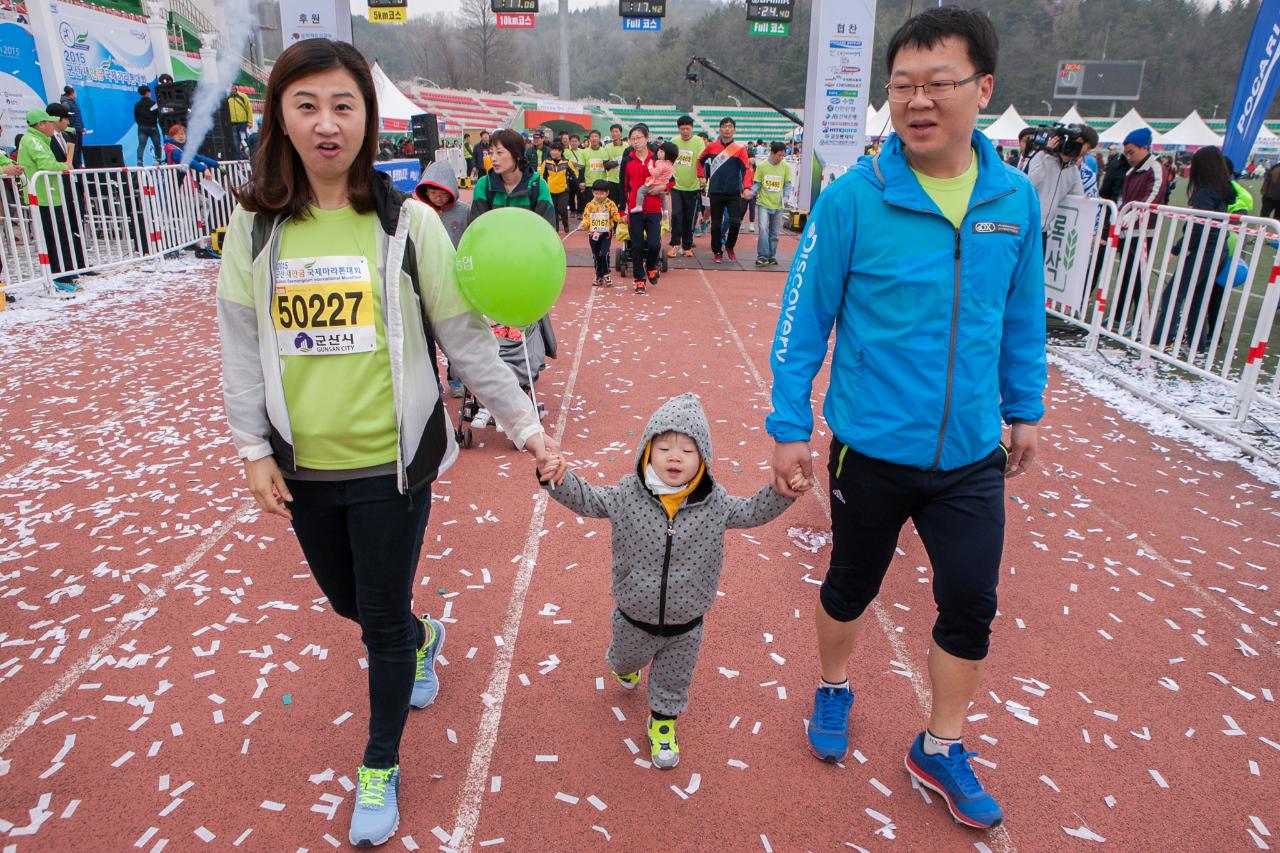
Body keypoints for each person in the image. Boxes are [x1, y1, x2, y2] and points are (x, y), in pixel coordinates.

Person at [216, 39, 565, 849]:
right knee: (353, 605)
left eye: (344, 105)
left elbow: (467, 341)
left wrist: (528, 426)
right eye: (307, 105)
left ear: (369, 120)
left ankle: (379, 761)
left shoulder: (409, 224)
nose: (326, 123)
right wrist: (251, 448)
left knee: (374, 621)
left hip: (391, 467)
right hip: (304, 465)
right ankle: (423, 635)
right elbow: (238, 343)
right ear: (280, 118)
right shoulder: (255, 227)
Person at [767, 7, 1045, 831]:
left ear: (982, 89)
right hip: (871, 449)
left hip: (968, 455)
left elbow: (1021, 311)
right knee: (851, 586)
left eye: (938, 84)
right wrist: (790, 424)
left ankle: (941, 742)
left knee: (970, 601)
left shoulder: (1014, 199)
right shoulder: (856, 199)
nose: (918, 102)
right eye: (903, 88)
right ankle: (834, 684)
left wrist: (1023, 408)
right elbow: (801, 319)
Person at [542, 392, 798, 769]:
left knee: (672, 679)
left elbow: (752, 512)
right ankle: (622, 662)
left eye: (687, 450)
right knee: (626, 660)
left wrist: (782, 493)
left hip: (687, 621)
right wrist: (557, 479)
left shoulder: (716, 503)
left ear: (704, 460)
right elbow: (588, 499)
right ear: (647, 452)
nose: (675, 457)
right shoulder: (626, 496)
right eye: (664, 447)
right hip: (632, 614)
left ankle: (662, 722)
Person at [1154, 146, 1233, 356]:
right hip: (1218, 250)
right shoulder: (1222, 190)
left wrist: (1179, 247)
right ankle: (1197, 345)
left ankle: (1163, 339)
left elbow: (1198, 226)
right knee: (1197, 297)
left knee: (1173, 294)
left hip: (1204, 250)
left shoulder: (1205, 193)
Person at [18, 108, 85, 293]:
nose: (52, 126)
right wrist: (64, 165)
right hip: (43, 197)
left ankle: (65, 274)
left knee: (58, 235)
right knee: (55, 237)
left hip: (49, 196)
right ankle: (60, 276)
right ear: (40, 125)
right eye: (49, 122)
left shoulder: (38, 139)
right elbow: (46, 164)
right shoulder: (33, 141)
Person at [1112, 127, 1169, 332]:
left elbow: (1153, 197)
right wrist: (1120, 216)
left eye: (1132, 152)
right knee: (1125, 275)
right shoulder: (1130, 172)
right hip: (1128, 231)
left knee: (1138, 277)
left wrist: (1132, 214)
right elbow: (1125, 199)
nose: (1129, 157)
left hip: (1145, 233)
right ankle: (1118, 317)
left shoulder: (1156, 168)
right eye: (1126, 153)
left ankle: (1139, 322)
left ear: (1145, 147)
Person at [469, 128, 555, 227]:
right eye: (491, 152)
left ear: (517, 155)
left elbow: (547, 230)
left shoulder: (538, 186)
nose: (493, 158)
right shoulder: (483, 185)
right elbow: (477, 229)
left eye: (499, 152)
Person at [1027, 124, 1097, 244]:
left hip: (1043, 231)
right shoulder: (1042, 156)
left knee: (1038, 263)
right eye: (1088, 147)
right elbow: (1030, 182)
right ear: (1079, 141)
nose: (1087, 152)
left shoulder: (1073, 169)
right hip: (1026, 226)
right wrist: (1049, 154)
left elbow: (1078, 198)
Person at [697, 117, 754, 263]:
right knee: (716, 224)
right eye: (724, 126)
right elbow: (699, 161)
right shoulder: (711, 146)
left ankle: (729, 246)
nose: (727, 129)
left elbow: (747, 169)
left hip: (734, 192)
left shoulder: (740, 149)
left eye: (730, 127)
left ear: (734, 130)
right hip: (716, 191)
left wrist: (746, 187)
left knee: (735, 222)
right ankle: (717, 251)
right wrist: (701, 176)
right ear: (720, 129)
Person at [621, 124, 665, 295]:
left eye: (639, 138)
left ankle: (651, 266)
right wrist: (622, 211)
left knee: (654, 244)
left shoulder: (657, 159)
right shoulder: (628, 160)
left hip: (654, 209)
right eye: (632, 139)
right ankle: (639, 280)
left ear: (647, 138)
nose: (636, 141)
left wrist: (661, 188)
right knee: (637, 246)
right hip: (635, 210)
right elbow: (623, 187)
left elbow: (671, 180)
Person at [749, 141, 793, 267]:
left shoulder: (785, 167)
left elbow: (788, 184)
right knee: (763, 228)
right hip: (764, 202)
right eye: (779, 155)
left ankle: (771, 255)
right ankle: (762, 256)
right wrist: (751, 192)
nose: (781, 158)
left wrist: (785, 197)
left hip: (778, 204)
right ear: (772, 153)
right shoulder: (762, 166)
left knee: (775, 232)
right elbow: (757, 183)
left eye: (783, 155)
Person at [668, 115, 705, 258]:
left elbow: (700, 161)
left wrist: (702, 178)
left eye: (687, 129)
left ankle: (687, 246)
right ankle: (675, 244)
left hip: (692, 187)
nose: (685, 132)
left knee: (689, 218)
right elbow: (668, 161)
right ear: (678, 129)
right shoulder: (674, 142)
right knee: (676, 215)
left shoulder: (698, 142)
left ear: (692, 128)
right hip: (677, 186)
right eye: (682, 129)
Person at [582, 178, 621, 287]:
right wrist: (584, 224)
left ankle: (606, 274)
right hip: (593, 235)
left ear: (607, 193)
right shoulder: (590, 205)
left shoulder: (610, 204)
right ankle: (599, 276)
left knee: (604, 254)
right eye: (596, 193)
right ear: (592, 192)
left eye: (602, 193)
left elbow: (615, 215)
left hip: (606, 234)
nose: (599, 196)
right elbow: (586, 218)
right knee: (596, 255)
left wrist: (621, 219)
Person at [539, 141, 578, 234]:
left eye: (555, 150)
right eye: (552, 150)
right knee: (553, 211)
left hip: (563, 190)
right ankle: (555, 229)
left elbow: (574, 174)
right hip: (550, 191)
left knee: (562, 209)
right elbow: (542, 176)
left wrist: (578, 185)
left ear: (561, 151)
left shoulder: (567, 162)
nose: (553, 152)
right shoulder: (546, 162)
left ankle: (566, 225)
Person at [631, 140, 675, 215]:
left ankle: (639, 205)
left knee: (641, 190)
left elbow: (655, 173)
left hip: (655, 185)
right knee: (663, 198)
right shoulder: (670, 164)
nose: (658, 152)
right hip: (663, 184)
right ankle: (665, 210)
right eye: (659, 151)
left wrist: (650, 166)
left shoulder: (661, 162)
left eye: (661, 152)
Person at [579, 129, 609, 212]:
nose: (594, 138)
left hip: (601, 184)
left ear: (599, 138)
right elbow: (581, 168)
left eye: (596, 136)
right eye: (592, 137)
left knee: (602, 209)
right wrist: (581, 181)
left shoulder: (605, 151)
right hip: (589, 185)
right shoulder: (584, 152)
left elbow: (607, 167)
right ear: (589, 139)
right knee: (590, 208)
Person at [134, 85, 162, 166]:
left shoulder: (137, 104)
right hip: (153, 127)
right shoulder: (154, 104)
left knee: (141, 145)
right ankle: (158, 160)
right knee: (157, 145)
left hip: (142, 127)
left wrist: (140, 124)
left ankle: (139, 161)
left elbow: (136, 117)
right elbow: (159, 116)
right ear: (148, 92)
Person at [59, 86, 86, 168]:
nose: (76, 95)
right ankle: (76, 166)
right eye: (75, 93)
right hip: (71, 130)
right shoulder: (66, 103)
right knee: (73, 149)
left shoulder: (74, 102)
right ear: (72, 93)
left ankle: (79, 164)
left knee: (79, 148)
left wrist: (82, 127)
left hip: (78, 129)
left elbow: (78, 116)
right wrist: (68, 128)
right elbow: (64, 117)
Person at [602, 123, 628, 210]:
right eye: (612, 132)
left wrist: (613, 162)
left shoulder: (627, 146)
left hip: (624, 179)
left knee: (624, 204)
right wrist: (617, 162)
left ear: (621, 133)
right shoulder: (607, 147)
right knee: (613, 204)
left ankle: (623, 222)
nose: (614, 134)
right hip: (612, 180)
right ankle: (613, 223)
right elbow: (605, 164)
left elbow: (629, 162)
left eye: (616, 131)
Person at [228, 86, 254, 156]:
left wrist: (250, 121)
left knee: (244, 138)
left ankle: (251, 154)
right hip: (233, 124)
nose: (231, 89)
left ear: (235, 87)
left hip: (242, 123)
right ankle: (239, 157)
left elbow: (249, 109)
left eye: (233, 87)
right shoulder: (228, 98)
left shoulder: (243, 96)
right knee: (236, 141)